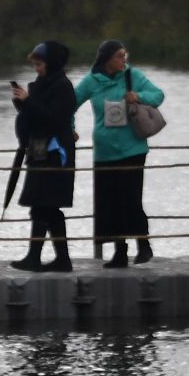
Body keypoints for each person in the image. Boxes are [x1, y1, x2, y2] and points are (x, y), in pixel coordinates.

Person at [73, 39, 165, 267]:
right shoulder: (92, 82)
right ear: (106, 59)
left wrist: (139, 97)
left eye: (125, 55)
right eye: (119, 56)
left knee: (131, 199)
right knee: (109, 202)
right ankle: (120, 251)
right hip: (104, 152)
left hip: (132, 148)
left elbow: (158, 95)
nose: (124, 60)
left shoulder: (133, 76)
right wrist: (70, 127)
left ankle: (144, 246)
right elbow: (69, 104)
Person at [10, 41, 78, 273]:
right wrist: (22, 104)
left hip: (56, 154)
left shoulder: (63, 87)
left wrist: (29, 102)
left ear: (52, 63)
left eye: (39, 64)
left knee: (44, 205)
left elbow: (56, 120)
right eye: (35, 64)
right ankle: (60, 259)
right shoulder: (39, 85)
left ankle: (37, 257)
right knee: (42, 205)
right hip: (39, 150)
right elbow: (36, 116)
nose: (36, 69)